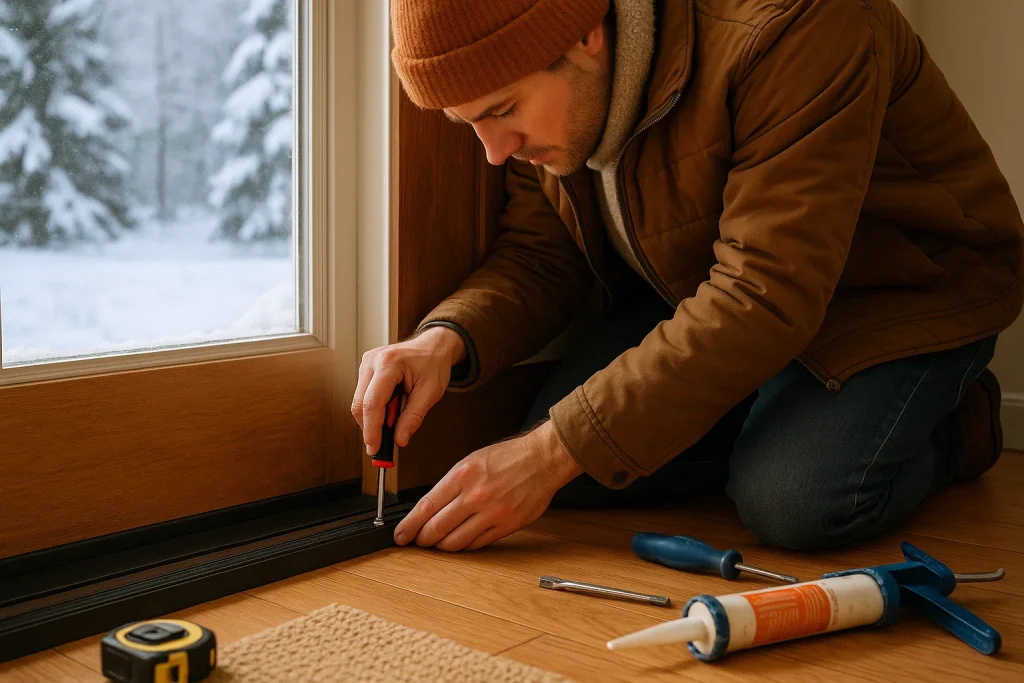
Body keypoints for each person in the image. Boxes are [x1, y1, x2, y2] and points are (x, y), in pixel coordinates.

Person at [351, 0, 1023, 553]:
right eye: (469, 124)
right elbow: (543, 254)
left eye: (502, 111)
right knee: (567, 463)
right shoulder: (555, 89)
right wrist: (443, 339)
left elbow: (763, 292)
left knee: (792, 502)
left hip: (898, 294)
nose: (496, 154)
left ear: (584, 34)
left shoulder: (796, 25)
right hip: (711, 288)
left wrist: (557, 450)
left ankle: (957, 423)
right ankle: (767, 411)